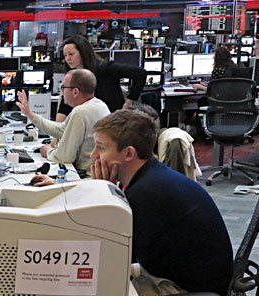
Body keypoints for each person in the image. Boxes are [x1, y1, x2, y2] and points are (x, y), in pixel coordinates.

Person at [32, 109, 233, 295]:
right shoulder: (151, 175)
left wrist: (103, 194)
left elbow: (110, 253)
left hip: (183, 288)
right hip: (182, 274)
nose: (94, 155)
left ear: (129, 154)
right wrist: (98, 190)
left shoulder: (146, 194)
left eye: (101, 148)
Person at [16, 70, 109, 173]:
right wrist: (29, 114)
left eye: (63, 87)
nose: (61, 91)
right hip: (95, 174)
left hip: (85, 176)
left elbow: (65, 157)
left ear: (75, 91)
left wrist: (48, 151)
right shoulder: (99, 105)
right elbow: (60, 130)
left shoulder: (80, 112)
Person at [55, 35, 146, 122]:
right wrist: (57, 131)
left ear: (83, 53)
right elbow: (64, 107)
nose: (68, 59)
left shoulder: (105, 69)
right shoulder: (73, 75)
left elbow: (140, 73)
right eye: (65, 55)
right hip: (89, 123)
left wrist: (129, 101)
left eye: (71, 54)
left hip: (113, 121)